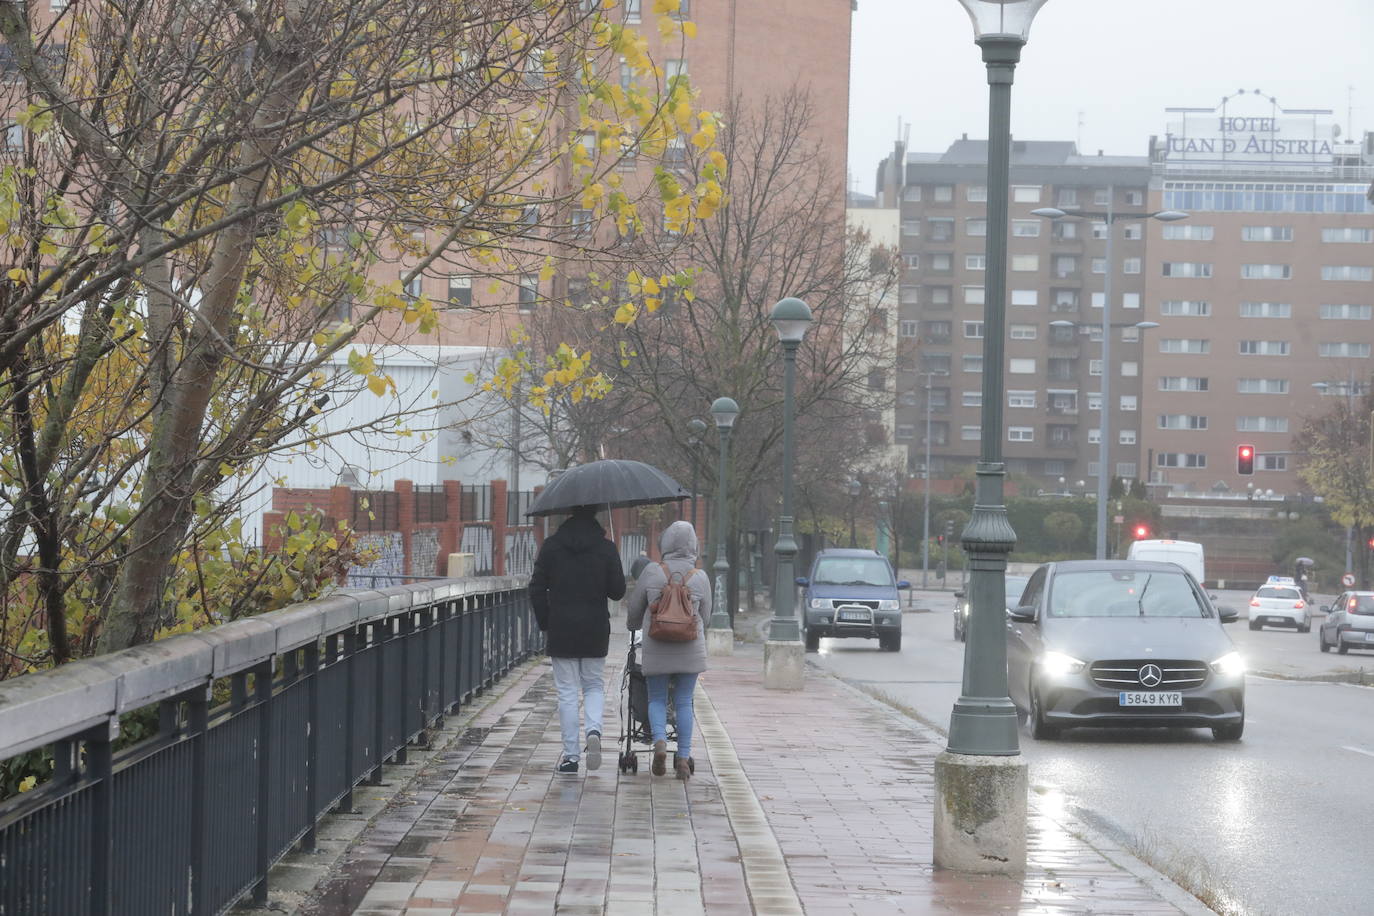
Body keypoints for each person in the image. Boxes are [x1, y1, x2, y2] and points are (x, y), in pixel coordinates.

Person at [529, 504, 627, 775]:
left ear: (569, 513)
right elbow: (617, 592)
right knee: (594, 685)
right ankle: (593, 729)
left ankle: (571, 757)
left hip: (562, 628)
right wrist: (612, 561)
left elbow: (536, 587)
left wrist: (546, 621)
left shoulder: (551, 546)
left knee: (567, 692)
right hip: (595, 628)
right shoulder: (606, 548)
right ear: (595, 515)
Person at [626, 520, 711, 780]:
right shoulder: (700, 577)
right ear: (693, 545)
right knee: (684, 701)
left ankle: (660, 741)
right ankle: (683, 758)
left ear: (665, 543)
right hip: (689, 649)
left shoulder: (652, 572)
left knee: (656, 698)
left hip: (657, 647)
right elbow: (706, 619)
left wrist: (633, 625)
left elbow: (633, 611)